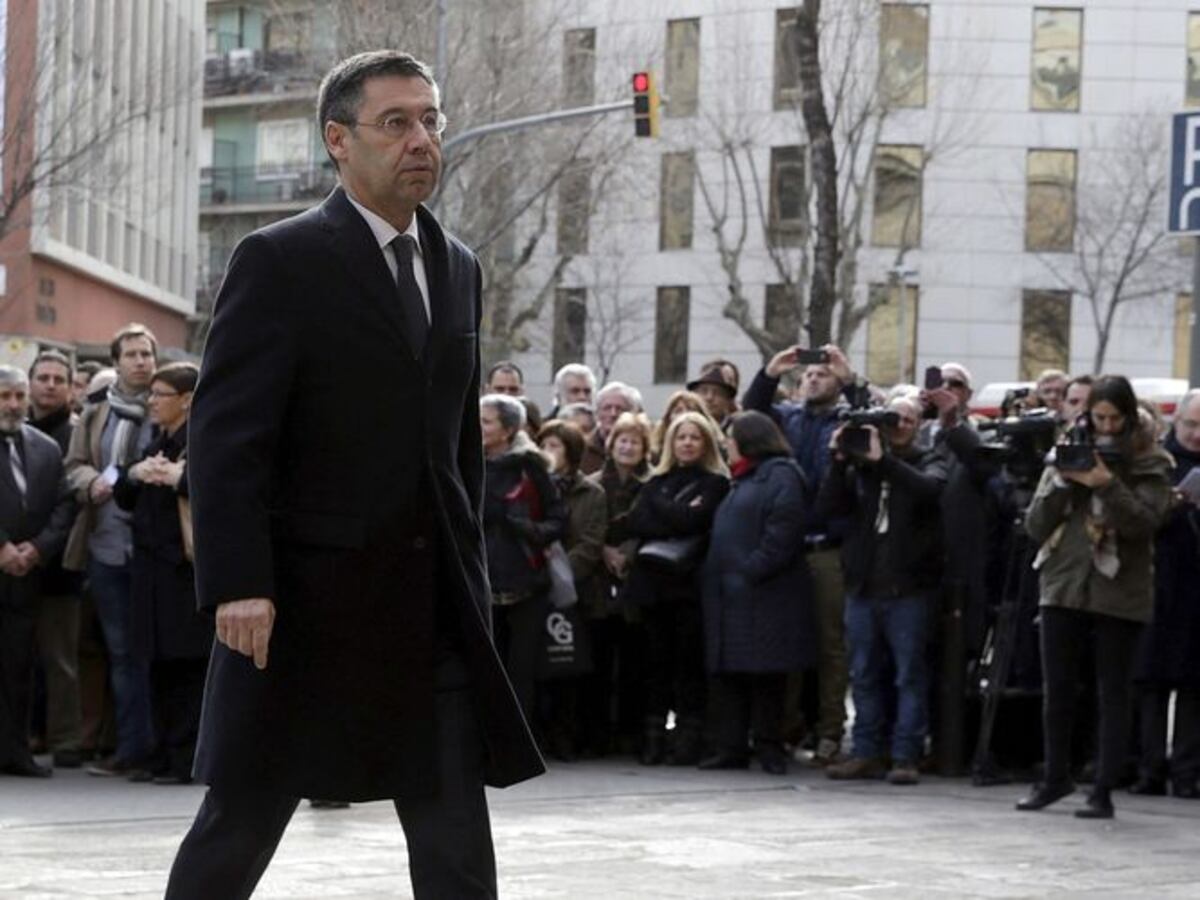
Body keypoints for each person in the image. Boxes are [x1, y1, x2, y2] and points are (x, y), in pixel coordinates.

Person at [166, 51, 544, 900]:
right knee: (242, 821)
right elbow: (226, 438)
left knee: (456, 837)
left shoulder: (459, 266)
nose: (422, 140)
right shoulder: (280, 258)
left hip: (431, 606)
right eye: (396, 122)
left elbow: (457, 448)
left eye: (431, 120)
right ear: (338, 140)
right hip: (304, 605)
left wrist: (470, 581)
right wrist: (239, 583)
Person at [1018, 375, 1173, 819]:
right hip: (1064, 581)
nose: (1105, 427)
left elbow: (1145, 522)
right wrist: (1063, 481)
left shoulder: (1150, 460)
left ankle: (1102, 788)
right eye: (1098, 418)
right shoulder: (1068, 449)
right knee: (1058, 689)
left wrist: (1106, 482)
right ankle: (1054, 777)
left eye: (1114, 419)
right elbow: (1035, 525)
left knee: (1112, 691)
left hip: (1119, 587)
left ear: (1128, 418)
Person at [820, 396, 949, 785]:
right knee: (863, 673)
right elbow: (828, 508)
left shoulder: (929, 459)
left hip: (909, 589)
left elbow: (929, 490)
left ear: (920, 424)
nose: (900, 425)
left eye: (908, 419)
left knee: (908, 674)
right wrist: (837, 460)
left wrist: (884, 463)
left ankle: (905, 754)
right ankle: (866, 752)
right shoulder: (862, 465)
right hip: (863, 587)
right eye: (893, 419)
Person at [742, 343, 861, 766]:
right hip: (788, 546)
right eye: (808, 374)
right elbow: (752, 417)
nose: (813, 378)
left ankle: (830, 731)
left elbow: (871, 414)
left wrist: (849, 378)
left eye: (822, 374)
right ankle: (785, 728)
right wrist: (770, 373)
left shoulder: (848, 419)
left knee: (831, 646)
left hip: (827, 546)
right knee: (786, 642)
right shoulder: (788, 418)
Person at [64, 323, 158, 778]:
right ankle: (131, 748)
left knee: (159, 651)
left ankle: (167, 748)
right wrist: (93, 483)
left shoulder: (169, 405)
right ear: (116, 361)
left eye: (147, 354)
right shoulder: (97, 411)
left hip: (156, 549)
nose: (141, 361)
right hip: (106, 546)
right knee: (121, 654)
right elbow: (75, 466)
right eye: (132, 354)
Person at [700, 412, 815, 775]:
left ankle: (768, 745)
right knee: (732, 674)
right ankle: (731, 745)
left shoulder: (781, 475)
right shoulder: (742, 479)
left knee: (766, 676)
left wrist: (751, 570)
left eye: (731, 438)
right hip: (733, 595)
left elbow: (783, 532)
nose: (726, 445)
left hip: (764, 593)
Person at [112, 363, 211, 785]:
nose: (152, 402)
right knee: (154, 665)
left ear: (186, 400)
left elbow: (220, 491)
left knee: (186, 667)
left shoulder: (201, 442)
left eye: (161, 394)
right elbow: (122, 495)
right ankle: (160, 753)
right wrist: (135, 474)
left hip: (183, 574)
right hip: (149, 574)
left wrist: (180, 480)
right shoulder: (157, 442)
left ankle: (184, 757)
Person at [623, 411, 729, 766]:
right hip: (652, 587)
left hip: (689, 588)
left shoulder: (715, 483)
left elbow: (694, 521)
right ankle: (653, 739)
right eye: (681, 437)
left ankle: (687, 739)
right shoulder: (656, 481)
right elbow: (638, 522)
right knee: (655, 666)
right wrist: (675, 515)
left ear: (706, 443)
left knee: (688, 666)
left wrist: (662, 508)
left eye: (694, 437)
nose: (687, 443)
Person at [0, 365, 75, 778]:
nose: (12, 405)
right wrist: (2, 548)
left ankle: (15, 751)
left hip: (27, 577)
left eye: (17, 396)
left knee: (19, 668)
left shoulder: (45, 448)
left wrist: (37, 548)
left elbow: (64, 504)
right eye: (4, 396)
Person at [480, 394, 567, 724]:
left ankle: (519, 740)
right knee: (487, 670)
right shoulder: (468, 464)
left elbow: (558, 519)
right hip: (483, 584)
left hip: (526, 586)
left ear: (508, 430)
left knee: (521, 673)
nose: (478, 427)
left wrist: (527, 528)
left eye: (485, 421)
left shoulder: (531, 467)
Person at [1132, 388, 1200, 799]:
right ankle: (1150, 769)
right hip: (1156, 584)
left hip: (1195, 591)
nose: (1196, 434)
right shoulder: (1158, 463)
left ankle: (1187, 772)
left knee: (1194, 686)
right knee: (1150, 683)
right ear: (1177, 423)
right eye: (1191, 425)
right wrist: (1171, 506)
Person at [581, 412, 653, 756]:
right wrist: (604, 550)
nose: (627, 447)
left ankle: (630, 733)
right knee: (598, 664)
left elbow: (654, 526)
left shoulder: (653, 483)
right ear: (612, 445)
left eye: (635, 441)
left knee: (635, 665)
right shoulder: (593, 483)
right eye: (623, 440)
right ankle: (596, 735)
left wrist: (629, 552)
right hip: (597, 584)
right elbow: (583, 527)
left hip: (635, 584)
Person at [535, 419, 606, 760]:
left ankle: (566, 736)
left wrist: (558, 575)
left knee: (568, 671)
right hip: (532, 591)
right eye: (543, 445)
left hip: (574, 594)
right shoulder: (531, 486)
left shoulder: (591, 493)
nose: (547, 452)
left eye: (554, 446)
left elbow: (590, 544)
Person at [27, 351, 84, 768]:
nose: (50, 385)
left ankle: (66, 740)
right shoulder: (13, 428)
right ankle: (22, 735)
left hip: (60, 565)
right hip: (12, 565)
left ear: (69, 387)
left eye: (58, 379)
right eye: (43, 377)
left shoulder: (75, 435)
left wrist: (39, 547)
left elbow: (69, 504)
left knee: (61, 660)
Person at [582, 381, 643, 475]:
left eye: (620, 409)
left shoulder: (643, 451)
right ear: (597, 413)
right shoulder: (582, 450)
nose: (613, 414)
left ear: (632, 413)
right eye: (607, 408)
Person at [650, 390, 717, 462]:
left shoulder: (716, 451)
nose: (684, 415)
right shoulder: (655, 455)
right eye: (678, 411)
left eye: (691, 411)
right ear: (668, 418)